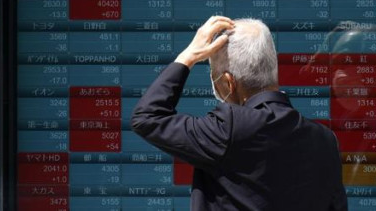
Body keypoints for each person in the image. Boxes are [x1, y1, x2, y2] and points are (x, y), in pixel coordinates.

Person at [131, 16, 347, 210]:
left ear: (229, 82)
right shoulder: (325, 140)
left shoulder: (229, 128)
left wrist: (188, 57)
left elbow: (147, 117)